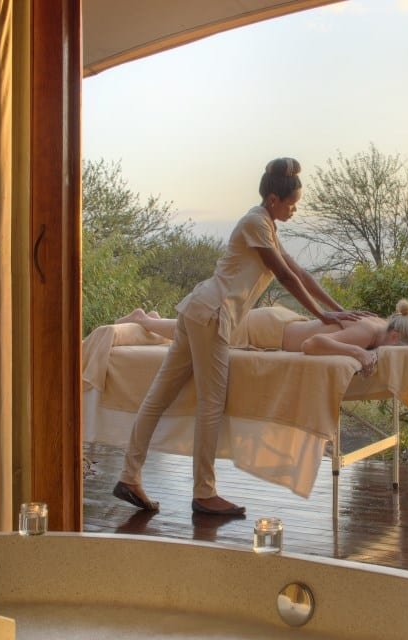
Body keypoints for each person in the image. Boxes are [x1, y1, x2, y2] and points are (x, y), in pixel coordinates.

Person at [113, 157, 370, 516]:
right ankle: (203, 493)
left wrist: (338, 310)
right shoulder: (255, 223)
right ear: (273, 200)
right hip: (211, 316)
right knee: (210, 403)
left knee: (160, 397)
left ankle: (130, 476)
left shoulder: (266, 226)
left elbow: (301, 273)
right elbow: (286, 277)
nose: (294, 210)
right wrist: (323, 315)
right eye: (292, 204)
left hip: (199, 311)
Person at [117, 298, 408, 377]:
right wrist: (359, 354)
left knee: (204, 330)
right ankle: (142, 319)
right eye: (400, 348)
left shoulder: (378, 326)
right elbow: (312, 345)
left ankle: (152, 320)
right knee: (199, 334)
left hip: (281, 322)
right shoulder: (367, 333)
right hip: (267, 330)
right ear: (395, 335)